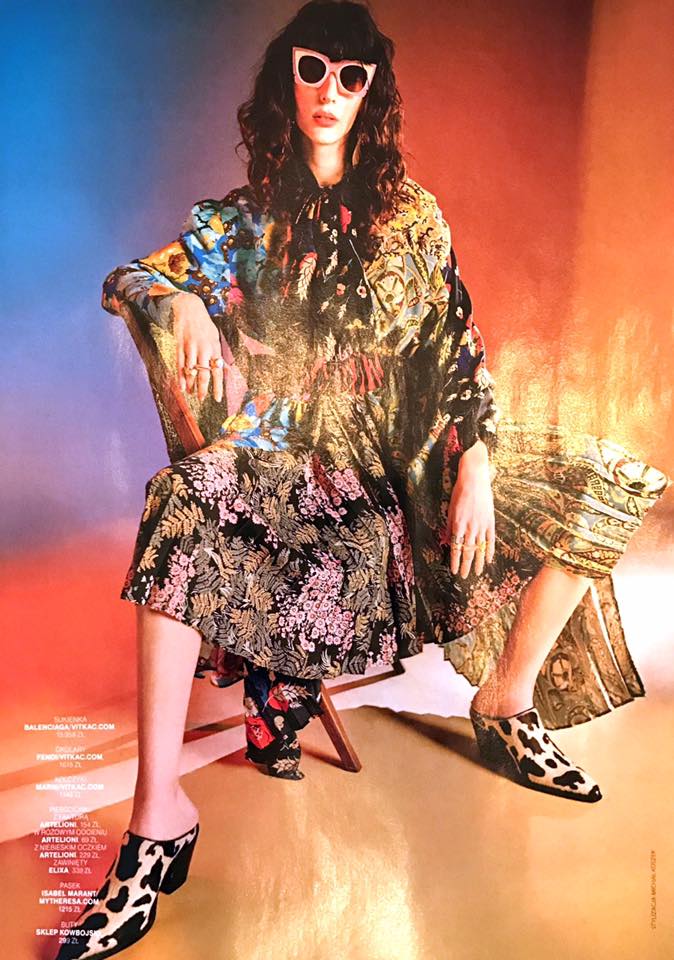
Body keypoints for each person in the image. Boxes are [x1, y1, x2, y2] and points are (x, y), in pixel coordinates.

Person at [53, 2, 671, 958]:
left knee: (608, 479)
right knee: (181, 503)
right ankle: (157, 817)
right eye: (312, 69)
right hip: (299, 463)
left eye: (352, 76)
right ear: (286, 79)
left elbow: (458, 347)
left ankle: (505, 700)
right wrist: (181, 300)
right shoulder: (240, 221)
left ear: (371, 91)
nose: (329, 92)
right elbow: (125, 277)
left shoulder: (414, 215)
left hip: (420, 460)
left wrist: (474, 459)